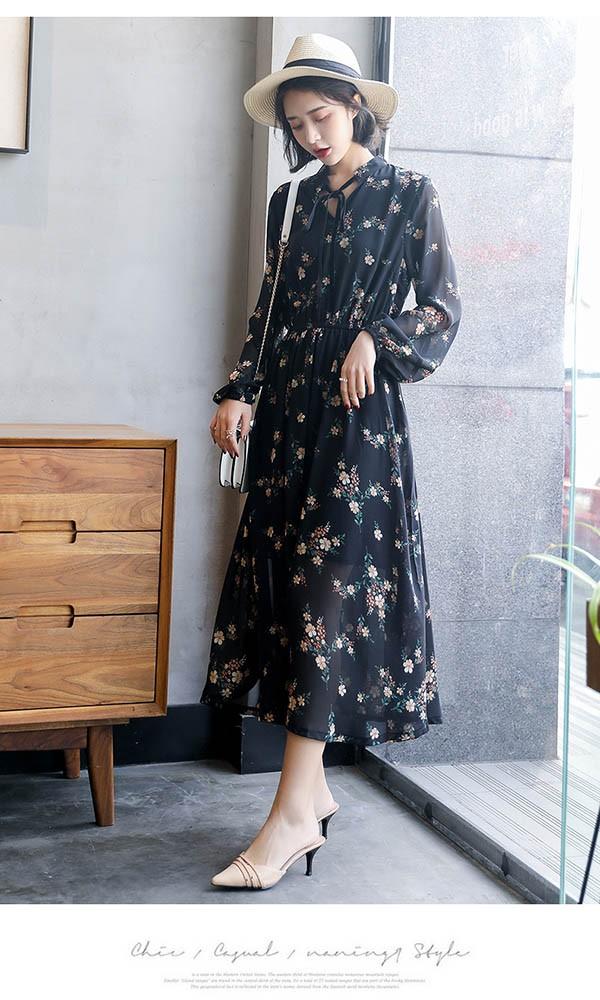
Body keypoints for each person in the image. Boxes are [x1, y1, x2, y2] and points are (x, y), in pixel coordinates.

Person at [202, 33, 462, 890]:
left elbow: (442, 310)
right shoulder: (289, 204)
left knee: (325, 601)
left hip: (358, 429)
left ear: (355, 107)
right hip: (287, 425)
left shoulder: (411, 193)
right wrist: (239, 390)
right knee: (292, 602)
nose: (311, 136)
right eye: (297, 125)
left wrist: (376, 336)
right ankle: (308, 799)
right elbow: (270, 310)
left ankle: (289, 817)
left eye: (321, 116)